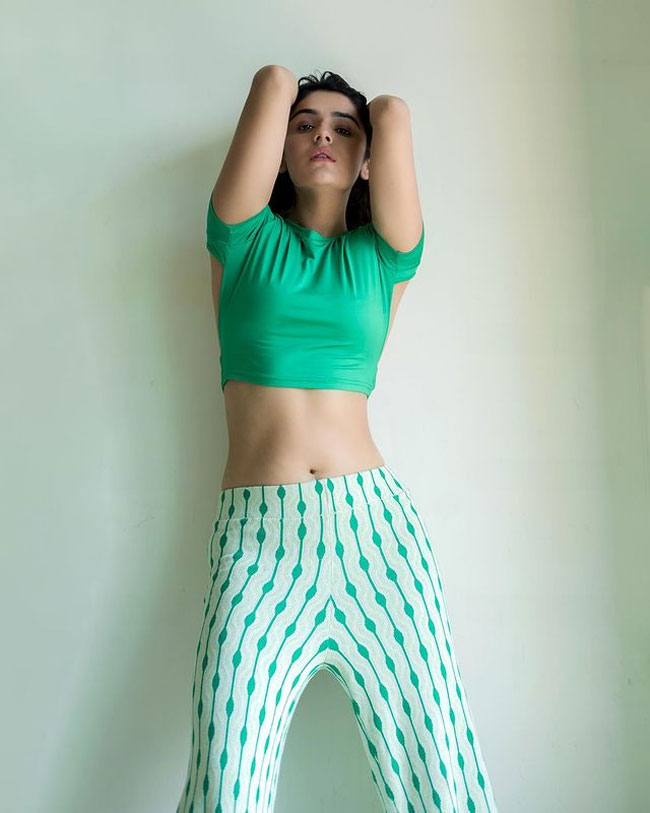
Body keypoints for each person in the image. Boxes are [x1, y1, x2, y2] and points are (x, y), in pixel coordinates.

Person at [176, 64, 499, 813]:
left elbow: (394, 110)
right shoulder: (242, 236)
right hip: (258, 544)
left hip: (376, 533)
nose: (323, 134)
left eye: (343, 130)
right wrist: (297, 103)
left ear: (367, 158)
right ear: (280, 146)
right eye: (305, 125)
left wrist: (367, 125)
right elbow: (271, 81)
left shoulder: (383, 257)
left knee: (437, 767)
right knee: (227, 778)